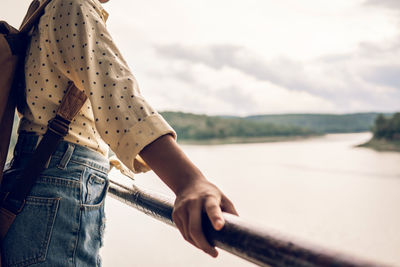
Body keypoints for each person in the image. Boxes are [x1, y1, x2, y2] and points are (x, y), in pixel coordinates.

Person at [1, 0, 237, 265]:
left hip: (35, 181)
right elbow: (118, 99)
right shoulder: (72, 6)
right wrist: (189, 181)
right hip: (57, 186)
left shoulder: (42, 10)